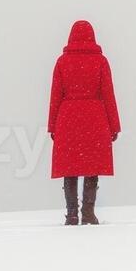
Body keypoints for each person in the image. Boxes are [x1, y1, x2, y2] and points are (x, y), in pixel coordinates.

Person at [47, 20, 121, 225]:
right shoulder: (101, 62)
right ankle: (88, 211)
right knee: (91, 165)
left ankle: (72, 213)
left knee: (69, 168)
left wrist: (52, 126)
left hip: (68, 118)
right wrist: (114, 125)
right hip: (95, 118)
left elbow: (55, 96)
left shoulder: (62, 62)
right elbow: (109, 95)